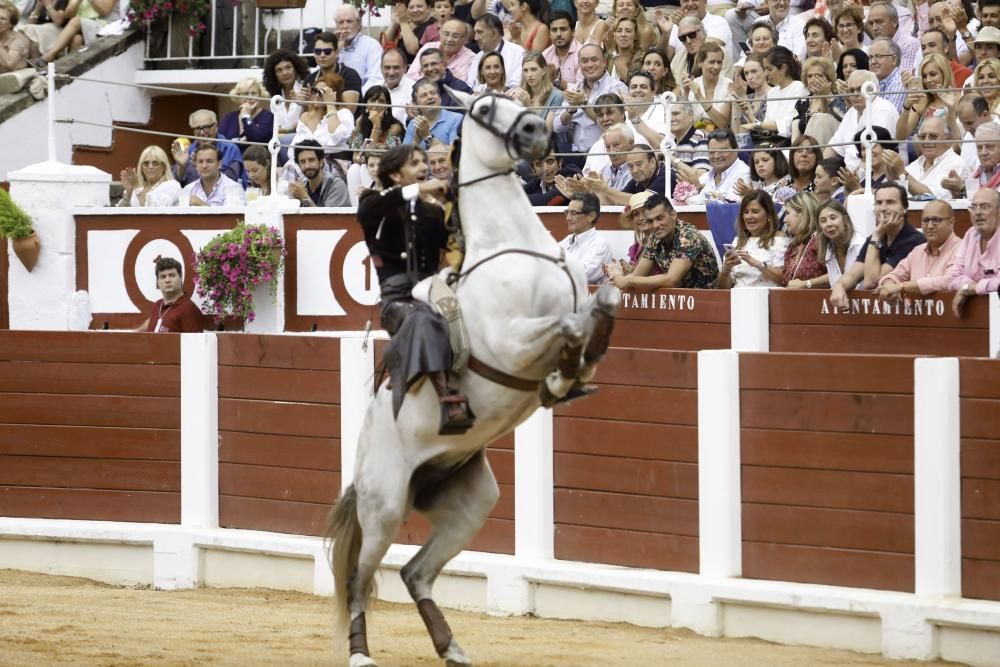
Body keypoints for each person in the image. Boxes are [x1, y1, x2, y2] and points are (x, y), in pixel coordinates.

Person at [356, 144, 473, 434]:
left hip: (433, 290)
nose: (424, 167)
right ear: (396, 175)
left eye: (425, 162)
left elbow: (458, 243)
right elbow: (381, 204)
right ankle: (448, 399)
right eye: (415, 163)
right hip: (398, 301)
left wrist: (451, 207)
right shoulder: (373, 203)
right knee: (423, 318)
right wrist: (423, 190)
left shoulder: (430, 211)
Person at [829, 183, 925, 308]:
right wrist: (839, 286)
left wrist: (876, 235)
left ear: (905, 208)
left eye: (890, 202)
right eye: (879, 203)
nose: (883, 208)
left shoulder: (914, 240)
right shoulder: (876, 237)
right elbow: (852, 275)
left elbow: (872, 282)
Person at [605, 193, 720, 289]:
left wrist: (628, 281)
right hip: (681, 303)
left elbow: (671, 280)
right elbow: (638, 274)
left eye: (660, 218)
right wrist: (620, 279)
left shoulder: (688, 236)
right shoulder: (655, 237)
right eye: (650, 220)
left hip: (708, 303)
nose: (655, 225)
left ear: (673, 215)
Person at [553, 43, 628, 163]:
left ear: (604, 62)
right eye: (584, 61)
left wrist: (583, 104)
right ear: (579, 65)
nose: (589, 65)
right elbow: (557, 127)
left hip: (605, 155)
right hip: (575, 155)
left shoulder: (617, 88)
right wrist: (571, 110)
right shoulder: (575, 89)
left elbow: (614, 124)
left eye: (594, 60)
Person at [877, 200, 962, 300]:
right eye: (926, 220)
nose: (930, 226)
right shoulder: (917, 251)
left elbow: (949, 281)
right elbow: (894, 275)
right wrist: (889, 285)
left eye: (936, 220)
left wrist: (901, 287)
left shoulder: (961, 249)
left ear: (951, 222)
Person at [826, 70, 900, 174]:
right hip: (851, 176)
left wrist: (852, 177)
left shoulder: (884, 109)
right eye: (851, 90)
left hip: (876, 176)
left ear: (873, 89)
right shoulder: (851, 112)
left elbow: (875, 155)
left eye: (861, 89)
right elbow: (833, 148)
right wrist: (822, 170)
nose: (855, 94)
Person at [718, 191, 789, 288]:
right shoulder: (738, 240)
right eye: (746, 212)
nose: (749, 216)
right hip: (738, 298)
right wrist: (726, 270)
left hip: (768, 299)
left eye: (755, 211)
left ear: (768, 214)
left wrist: (757, 264)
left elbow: (785, 280)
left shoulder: (780, 239)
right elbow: (723, 288)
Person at [949, 187, 1000, 317]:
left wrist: (968, 289)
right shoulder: (971, 234)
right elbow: (953, 276)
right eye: (974, 207)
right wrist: (971, 287)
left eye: (984, 206)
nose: (977, 212)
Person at [28, 0, 118, 68]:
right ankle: (70, 69)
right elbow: (68, 15)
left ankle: (49, 56)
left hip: (105, 26)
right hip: (82, 27)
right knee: (76, 39)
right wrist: (75, 4)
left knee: (76, 21)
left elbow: (105, 11)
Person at [172, 109, 244, 187]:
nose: (202, 133)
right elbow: (176, 183)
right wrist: (181, 167)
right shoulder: (189, 150)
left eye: (206, 127)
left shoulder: (230, 149)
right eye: (197, 129)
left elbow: (231, 180)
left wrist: (200, 168)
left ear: (215, 126)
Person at [903, 116, 968, 199]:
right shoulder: (915, 164)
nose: (926, 141)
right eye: (922, 137)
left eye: (933, 136)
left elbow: (933, 198)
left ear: (948, 140)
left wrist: (903, 173)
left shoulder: (956, 164)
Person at [137, 257, 205, 334]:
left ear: (180, 277)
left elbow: (194, 344)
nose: (167, 280)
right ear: (158, 282)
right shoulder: (158, 305)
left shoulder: (189, 309)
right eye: (163, 277)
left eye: (172, 275)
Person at [558, 192, 613, 284]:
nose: (568, 218)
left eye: (573, 213)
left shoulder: (600, 244)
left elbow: (584, 274)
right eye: (567, 212)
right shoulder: (567, 240)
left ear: (591, 216)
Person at [262, 49, 311, 143]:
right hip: (279, 140)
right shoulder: (273, 96)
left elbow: (308, 119)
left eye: (288, 67)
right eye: (279, 70)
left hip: (302, 137)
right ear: (274, 74)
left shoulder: (305, 90)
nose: (285, 73)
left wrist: (283, 132)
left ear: (296, 68)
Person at [688, 128, 750, 203]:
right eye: (712, 152)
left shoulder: (744, 173)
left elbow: (731, 202)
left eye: (722, 151)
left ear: (736, 150)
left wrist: (702, 194)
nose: (716, 156)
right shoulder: (705, 177)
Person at [304, 31, 362, 110]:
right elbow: (306, 114)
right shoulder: (309, 79)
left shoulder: (350, 75)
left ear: (337, 53)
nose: (322, 55)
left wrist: (322, 102)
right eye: (318, 51)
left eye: (327, 51)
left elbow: (349, 111)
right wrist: (302, 102)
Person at [406, 18, 477, 82]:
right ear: (440, 34)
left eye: (455, 36)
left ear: (464, 39)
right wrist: (450, 77)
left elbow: (459, 83)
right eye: (446, 34)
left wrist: (424, 76)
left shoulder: (470, 57)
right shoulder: (428, 47)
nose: (449, 39)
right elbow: (411, 75)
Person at [816, 199, 865, 288]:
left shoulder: (861, 246)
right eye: (823, 221)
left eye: (833, 218)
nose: (829, 224)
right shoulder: (829, 251)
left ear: (845, 220)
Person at [467, 13, 525, 88]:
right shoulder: (478, 56)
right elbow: (470, 86)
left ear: (494, 34)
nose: (476, 38)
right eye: (475, 33)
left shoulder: (517, 52)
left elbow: (515, 88)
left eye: (479, 32)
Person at [781, 191, 826, 288]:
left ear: (803, 213)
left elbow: (839, 274)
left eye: (788, 213)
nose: (784, 220)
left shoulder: (821, 240)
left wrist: (806, 284)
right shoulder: (792, 247)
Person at [287, 140, 351, 208]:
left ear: (321, 162)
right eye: (302, 162)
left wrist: (304, 197)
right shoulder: (302, 187)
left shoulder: (336, 186)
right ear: (299, 165)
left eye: (311, 160)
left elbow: (327, 218)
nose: (307, 166)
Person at [334, 5, 384, 91]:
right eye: (341, 22)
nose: (345, 26)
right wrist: (336, 50)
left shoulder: (371, 45)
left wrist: (358, 97)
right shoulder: (331, 46)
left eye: (349, 21)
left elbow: (376, 79)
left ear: (358, 24)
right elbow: (320, 73)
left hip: (361, 97)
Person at [511, 50, 564, 131]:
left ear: (543, 71)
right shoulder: (522, 94)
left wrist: (528, 106)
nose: (529, 75)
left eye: (533, 69)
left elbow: (546, 132)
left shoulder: (557, 96)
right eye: (525, 70)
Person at [219, 77, 275, 154]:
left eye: (254, 93)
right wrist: (240, 141)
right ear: (238, 96)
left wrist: (246, 115)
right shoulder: (229, 117)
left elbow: (257, 139)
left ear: (260, 95)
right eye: (246, 93)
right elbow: (221, 142)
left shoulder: (268, 116)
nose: (250, 97)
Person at [403, 78, 463, 147]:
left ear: (440, 98)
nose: (430, 97)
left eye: (433, 93)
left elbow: (454, 154)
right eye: (424, 95)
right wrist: (416, 140)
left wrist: (427, 136)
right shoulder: (413, 123)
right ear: (416, 104)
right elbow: (404, 156)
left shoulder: (456, 119)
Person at [181, 144, 246, 207]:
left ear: (219, 164)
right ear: (196, 165)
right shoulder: (188, 189)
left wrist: (202, 205)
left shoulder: (233, 188)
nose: (204, 166)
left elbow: (232, 217)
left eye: (209, 161)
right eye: (200, 162)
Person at [687, 41, 733, 129]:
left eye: (719, 62)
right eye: (712, 62)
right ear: (700, 63)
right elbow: (688, 123)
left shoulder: (728, 84)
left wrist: (700, 98)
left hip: (720, 139)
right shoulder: (693, 84)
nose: (716, 67)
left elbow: (722, 124)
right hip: (697, 139)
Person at [348, 85, 405, 156]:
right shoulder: (360, 121)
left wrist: (376, 127)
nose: (376, 104)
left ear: (387, 106)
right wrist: (360, 157)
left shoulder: (395, 127)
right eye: (373, 100)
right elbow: (355, 156)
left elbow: (376, 156)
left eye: (381, 101)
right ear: (365, 104)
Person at [866, 2, 921, 74]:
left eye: (879, 22)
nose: (874, 28)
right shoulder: (871, 49)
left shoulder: (909, 44)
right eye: (871, 23)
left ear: (894, 22)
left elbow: (904, 80)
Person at [623, 70, 666, 147]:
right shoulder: (622, 115)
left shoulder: (664, 111)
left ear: (653, 92)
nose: (638, 90)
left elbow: (662, 145)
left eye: (643, 87)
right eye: (634, 87)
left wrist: (635, 119)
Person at [543, 10, 582, 90]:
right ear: (549, 33)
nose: (558, 34)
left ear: (573, 32)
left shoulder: (582, 54)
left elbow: (582, 88)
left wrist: (557, 82)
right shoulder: (545, 55)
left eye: (563, 29)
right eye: (554, 30)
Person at [382, 48, 415, 124]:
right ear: (381, 68)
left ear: (405, 68)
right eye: (387, 68)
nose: (391, 73)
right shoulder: (374, 87)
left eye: (396, 68)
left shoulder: (414, 89)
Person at [607, 16, 643, 81]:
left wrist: (613, 53)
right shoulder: (607, 57)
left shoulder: (641, 58)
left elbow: (631, 82)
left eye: (628, 31)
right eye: (619, 31)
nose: (623, 34)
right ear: (614, 35)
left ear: (636, 36)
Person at [0, 0, 29, 73]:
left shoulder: (19, 39)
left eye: (2, 18)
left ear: (11, 24)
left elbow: (10, 64)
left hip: (11, 79)